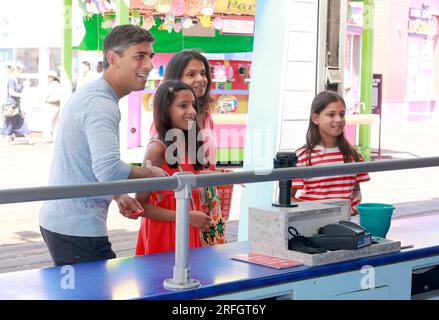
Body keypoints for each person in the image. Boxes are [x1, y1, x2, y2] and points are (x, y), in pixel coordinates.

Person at [39, 25, 168, 266]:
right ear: (112, 58)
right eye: (139, 56)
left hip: (64, 221)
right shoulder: (101, 103)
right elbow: (108, 169)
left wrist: (117, 194)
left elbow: (88, 161)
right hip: (76, 228)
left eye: (150, 56)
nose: (149, 64)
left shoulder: (94, 94)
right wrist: (149, 172)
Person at [134, 80, 213, 255]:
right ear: (165, 109)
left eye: (193, 105)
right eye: (183, 105)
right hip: (164, 234)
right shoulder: (157, 149)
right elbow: (141, 205)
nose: (192, 111)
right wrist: (186, 217)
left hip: (192, 228)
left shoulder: (192, 144)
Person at [291, 91, 370, 215]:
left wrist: (355, 204)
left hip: (342, 226)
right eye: (331, 114)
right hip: (309, 227)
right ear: (315, 118)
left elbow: (356, 192)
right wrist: (317, 211)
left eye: (342, 114)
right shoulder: (302, 156)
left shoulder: (353, 155)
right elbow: (287, 199)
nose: (338, 119)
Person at [151, 49, 217, 167]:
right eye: (191, 74)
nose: (201, 79)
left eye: (203, 73)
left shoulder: (206, 117)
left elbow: (206, 165)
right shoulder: (164, 125)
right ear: (175, 81)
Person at [1, 62, 33, 144]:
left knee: (12, 121)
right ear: (16, 70)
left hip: (14, 104)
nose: (20, 73)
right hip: (12, 105)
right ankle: (25, 137)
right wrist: (22, 95)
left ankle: (9, 137)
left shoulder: (14, 79)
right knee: (15, 121)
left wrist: (24, 86)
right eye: (20, 71)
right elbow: (11, 92)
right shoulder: (11, 79)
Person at [41, 70, 61, 143]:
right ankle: (55, 137)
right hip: (58, 104)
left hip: (51, 104)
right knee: (56, 122)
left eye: (50, 76)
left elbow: (46, 94)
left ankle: (47, 138)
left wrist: (42, 100)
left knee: (48, 121)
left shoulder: (52, 84)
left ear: (53, 77)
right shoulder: (58, 84)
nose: (48, 78)